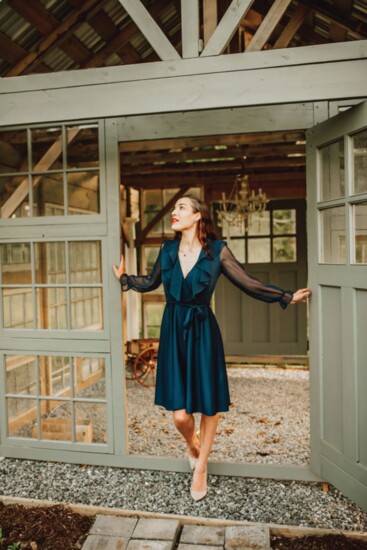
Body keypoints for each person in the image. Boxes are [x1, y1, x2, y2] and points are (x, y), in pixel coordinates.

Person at [112, 195, 311, 501]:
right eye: (175, 208)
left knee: (208, 403)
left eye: (181, 207)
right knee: (180, 416)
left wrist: (285, 296)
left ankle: (201, 466)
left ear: (197, 217)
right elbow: (151, 282)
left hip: (203, 330)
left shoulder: (217, 251)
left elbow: (248, 282)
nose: (174, 212)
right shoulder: (166, 250)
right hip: (173, 331)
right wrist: (125, 279)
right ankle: (192, 445)